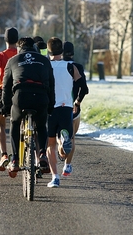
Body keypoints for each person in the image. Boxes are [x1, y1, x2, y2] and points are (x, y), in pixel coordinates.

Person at [2, 37, 55, 177]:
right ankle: (43, 153)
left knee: (14, 122)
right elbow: (51, 85)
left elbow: (6, 87)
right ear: (35, 48)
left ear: (19, 49)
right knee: (42, 125)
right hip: (41, 97)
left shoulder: (12, 60)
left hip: (21, 97)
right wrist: (50, 106)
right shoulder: (45, 61)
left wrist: (6, 107)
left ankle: (15, 159)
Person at [46, 37, 86, 188]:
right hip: (66, 107)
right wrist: (77, 101)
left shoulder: (46, 65)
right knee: (67, 135)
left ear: (48, 51)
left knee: (50, 145)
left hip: (50, 109)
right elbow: (83, 85)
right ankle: (64, 139)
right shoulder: (71, 66)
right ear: (62, 51)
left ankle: (55, 177)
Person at [0, 27, 19, 172]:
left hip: (3, 92)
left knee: (1, 124)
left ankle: (4, 155)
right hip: (20, 92)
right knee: (19, 122)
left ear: (5, 39)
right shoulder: (21, 54)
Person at [59, 41, 89, 176]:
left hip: (58, 105)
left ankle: (61, 145)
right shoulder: (78, 67)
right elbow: (84, 89)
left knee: (56, 135)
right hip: (73, 108)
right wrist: (77, 102)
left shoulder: (57, 66)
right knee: (72, 137)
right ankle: (67, 166)